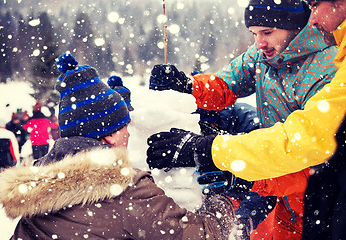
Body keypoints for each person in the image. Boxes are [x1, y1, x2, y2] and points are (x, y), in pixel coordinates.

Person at [146, 0, 339, 239]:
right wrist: (189, 85)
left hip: (317, 199)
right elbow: (226, 85)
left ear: (296, 27)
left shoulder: (325, 71)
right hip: (282, 194)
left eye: (267, 32)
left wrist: (242, 173)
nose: (259, 43)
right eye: (254, 33)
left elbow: (314, 157)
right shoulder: (263, 55)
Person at [0, 52, 235, 239]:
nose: (129, 134)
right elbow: (204, 235)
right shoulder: (125, 190)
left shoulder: (38, 186)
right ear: (109, 136)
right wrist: (219, 196)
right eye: (124, 126)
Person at [301, 1, 346, 239]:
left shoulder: (325, 69)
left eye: (315, 5)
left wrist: (213, 149)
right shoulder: (258, 61)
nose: (312, 20)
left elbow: (310, 136)